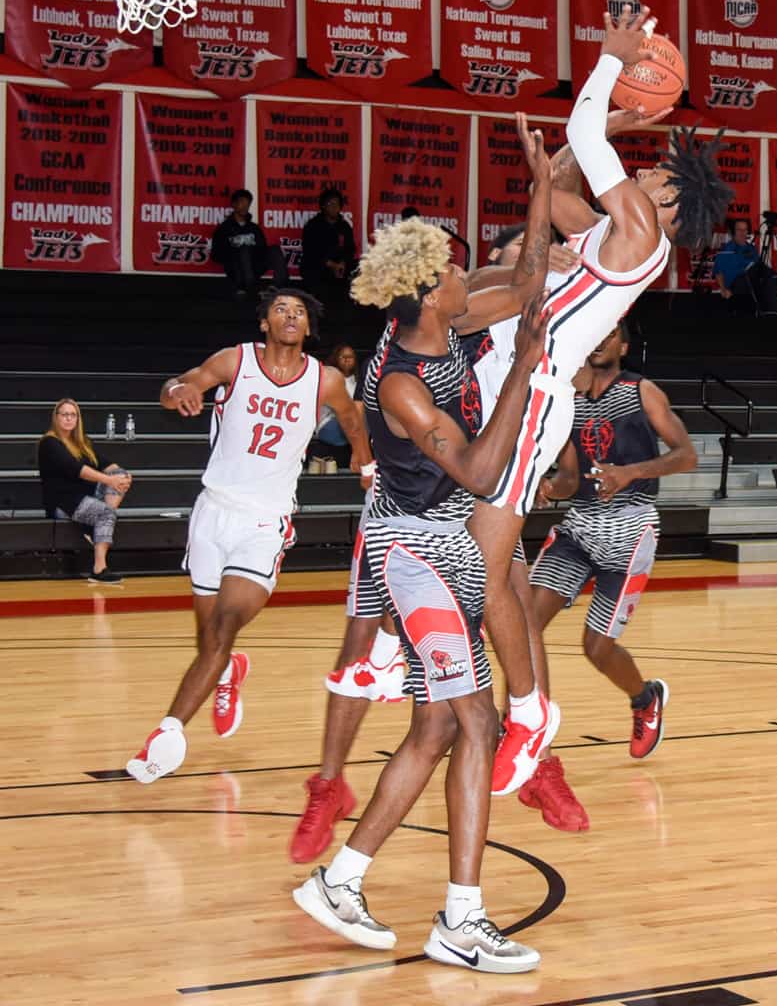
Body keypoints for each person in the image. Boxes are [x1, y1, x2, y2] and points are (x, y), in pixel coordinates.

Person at [464, 3, 733, 799]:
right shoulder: (616, 233)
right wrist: (561, 152)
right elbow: (555, 191)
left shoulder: (641, 228)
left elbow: (585, 146)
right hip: (515, 380)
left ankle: (528, 712)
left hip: (536, 393)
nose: (641, 169)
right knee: (486, 559)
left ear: (670, 198)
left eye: (652, 171)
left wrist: (610, 69)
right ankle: (517, 704)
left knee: (484, 562)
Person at [293, 147, 553, 973]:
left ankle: (342, 880)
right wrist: (522, 370)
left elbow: (529, 284)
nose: (468, 273)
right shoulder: (403, 382)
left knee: (441, 722)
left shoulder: (439, 325)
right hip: (415, 553)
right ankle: (461, 920)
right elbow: (478, 472)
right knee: (476, 720)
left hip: (446, 547)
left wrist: (543, 184)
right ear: (429, 289)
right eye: (453, 267)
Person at [125, 288, 373, 784]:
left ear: (308, 328)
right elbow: (175, 385)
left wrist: (362, 459)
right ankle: (229, 671)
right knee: (210, 640)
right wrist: (179, 393)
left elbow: (352, 417)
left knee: (221, 629)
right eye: (280, 309)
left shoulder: (324, 379)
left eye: (300, 311)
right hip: (213, 513)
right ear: (264, 322)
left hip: (266, 521)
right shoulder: (234, 361)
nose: (290, 316)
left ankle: (168, 732)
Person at [522, 324, 697, 828]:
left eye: (611, 335)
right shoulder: (567, 395)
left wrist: (629, 473)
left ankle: (645, 698)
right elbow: (572, 476)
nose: (600, 341)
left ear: (622, 346)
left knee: (595, 649)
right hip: (580, 527)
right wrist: (550, 490)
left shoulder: (641, 391)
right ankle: (530, 732)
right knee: (524, 625)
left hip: (631, 529)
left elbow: (687, 455)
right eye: (595, 333)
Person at [38, 399, 132, 584]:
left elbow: (105, 464)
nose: (68, 418)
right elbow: (76, 469)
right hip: (62, 501)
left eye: (72, 415)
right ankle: (99, 569)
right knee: (106, 512)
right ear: (56, 418)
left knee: (118, 475)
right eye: (64, 414)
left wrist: (125, 476)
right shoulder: (49, 443)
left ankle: (95, 526)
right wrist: (109, 480)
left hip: (84, 498)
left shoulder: (81, 443)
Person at [211, 189, 273, 297]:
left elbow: (262, 248)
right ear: (234, 204)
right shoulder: (224, 228)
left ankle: (277, 286)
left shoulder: (254, 228)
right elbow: (215, 254)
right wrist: (233, 250)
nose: (245, 206)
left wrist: (253, 249)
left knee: (275, 250)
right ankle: (247, 286)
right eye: (241, 202)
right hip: (236, 268)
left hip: (254, 265)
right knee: (243, 250)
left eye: (247, 204)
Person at [299, 187, 356, 303]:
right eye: (330, 203)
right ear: (323, 206)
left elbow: (350, 249)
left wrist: (343, 263)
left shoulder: (345, 227)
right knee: (311, 266)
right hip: (319, 266)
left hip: (339, 266)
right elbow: (310, 251)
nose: (334, 207)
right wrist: (331, 264)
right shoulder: (313, 226)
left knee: (359, 266)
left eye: (337, 204)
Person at [713, 217, 777, 314]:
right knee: (760, 269)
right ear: (733, 231)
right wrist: (723, 289)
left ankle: (775, 312)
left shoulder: (751, 249)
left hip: (752, 284)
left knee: (768, 276)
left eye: (745, 230)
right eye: (739, 230)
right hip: (735, 285)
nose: (742, 232)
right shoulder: (726, 249)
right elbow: (717, 271)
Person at [308, 344, 359, 469]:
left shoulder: (358, 382)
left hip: (350, 428)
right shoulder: (329, 377)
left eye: (350, 357)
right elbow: (338, 408)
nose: (347, 359)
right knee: (350, 415)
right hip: (329, 424)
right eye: (343, 357)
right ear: (336, 358)